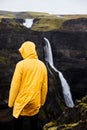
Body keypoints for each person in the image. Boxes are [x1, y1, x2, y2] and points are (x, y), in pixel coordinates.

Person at [8, 41, 48, 130]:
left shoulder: (21, 65)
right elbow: (44, 86)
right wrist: (42, 101)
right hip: (35, 101)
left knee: (18, 126)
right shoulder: (42, 65)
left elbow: (15, 86)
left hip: (21, 102)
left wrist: (11, 103)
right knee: (33, 125)